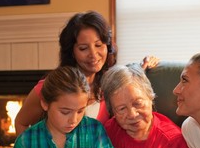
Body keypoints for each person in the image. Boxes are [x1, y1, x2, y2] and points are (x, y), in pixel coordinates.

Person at [15, 10, 159, 135]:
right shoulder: (51, 86)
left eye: (98, 45)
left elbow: (128, 83)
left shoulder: (109, 85)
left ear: (107, 46)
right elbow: (21, 122)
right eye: (83, 48)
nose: (93, 54)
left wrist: (141, 68)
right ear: (71, 51)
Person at [101, 64, 198, 148]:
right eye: (122, 109)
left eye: (137, 103)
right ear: (112, 111)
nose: (132, 114)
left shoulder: (172, 141)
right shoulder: (108, 132)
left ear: (150, 97)